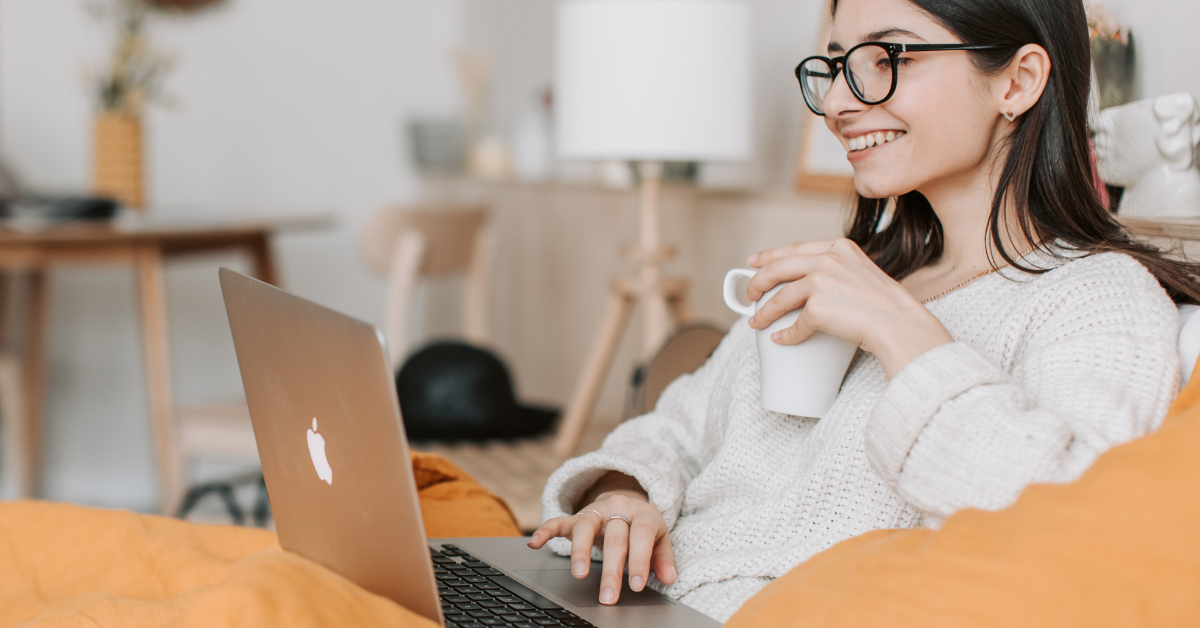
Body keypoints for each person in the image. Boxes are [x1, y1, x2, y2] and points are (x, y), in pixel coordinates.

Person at [528, 0, 1200, 621]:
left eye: (889, 60)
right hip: (637, 600)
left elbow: (1073, 526)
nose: (841, 103)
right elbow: (676, 426)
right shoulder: (857, 268)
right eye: (837, 66)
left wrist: (901, 331)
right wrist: (623, 493)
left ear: (1018, 81)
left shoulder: (1095, 298)